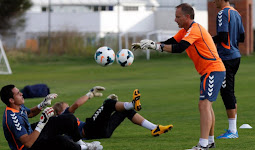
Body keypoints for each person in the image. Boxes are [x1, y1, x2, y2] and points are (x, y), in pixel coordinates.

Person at [132, 3, 226, 150]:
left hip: (213, 70)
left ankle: (203, 145)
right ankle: (210, 142)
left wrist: (156, 46)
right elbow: (171, 42)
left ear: (187, 17)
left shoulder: (195, 29)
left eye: (178, 17)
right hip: (209, 71)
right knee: (207, 107)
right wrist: (150, 44)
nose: (175, 20)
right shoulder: (185, 31)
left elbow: (179, 48)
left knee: (204, 105)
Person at [0, 84, 102, 150]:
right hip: (28, 147)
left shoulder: (18, 106)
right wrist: (42, 123)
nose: (21, 94)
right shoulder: (12, 119)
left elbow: (30, 113)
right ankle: (84, 148)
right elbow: (27, 143)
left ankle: (81, 143)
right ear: (11, 100)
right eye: (18, 93)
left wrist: (43, 104)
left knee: (68, 118)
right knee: (60, 141)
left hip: (32, 134)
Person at [52, 86, 173, 140]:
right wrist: (90, 94)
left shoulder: (60, 125)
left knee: (124, 111)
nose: (69, 109)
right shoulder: (63, 116)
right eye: (66, 107)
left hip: (102, 133)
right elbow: (76, 104)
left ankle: (154, 128)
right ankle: (132, 103)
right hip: (90, 130)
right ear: (61, 111)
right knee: (108, 104)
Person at [212, 0, 245, 139]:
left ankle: (232, 131)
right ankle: (232, 129)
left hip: (226, 57)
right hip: (235, 56)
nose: (213, 2)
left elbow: (223, 36)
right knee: (229, 91)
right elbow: (242, 37)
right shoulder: (236, 12)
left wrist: (207, 40)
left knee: (227, 92)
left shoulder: (222, 13)